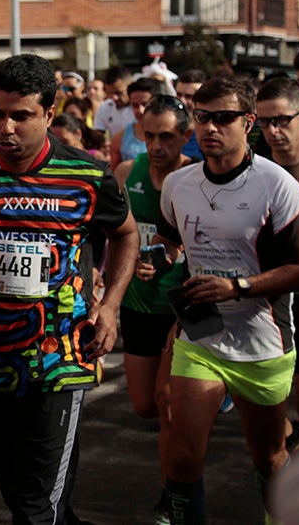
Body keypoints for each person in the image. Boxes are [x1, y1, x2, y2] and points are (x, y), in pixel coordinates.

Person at [0, 53, 139, 525]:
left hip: (60, 359)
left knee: (39, 507)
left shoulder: (88, 177)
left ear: (49, 115)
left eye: (21, 116)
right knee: (24, 497)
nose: (6, 128)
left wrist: (112, 305)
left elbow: (126, 233)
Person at [149, 76, 299, 525]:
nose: (210, 128)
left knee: (269, 456)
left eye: (223, 118)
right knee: (182, 456)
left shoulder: (277, 186)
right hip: (201, 337)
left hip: (263, 343)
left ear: (249, 123)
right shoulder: (179, 184)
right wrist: (158, 258)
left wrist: (237, 287)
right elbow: (170, 239)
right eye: (203, 117)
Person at [115, 96, 196, 523]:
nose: (157, 145)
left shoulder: (197, 178)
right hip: (137, 304)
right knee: (144, 405)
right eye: (149, 136)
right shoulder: (129, 174)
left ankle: (172, 498)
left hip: (181, 307)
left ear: (186, 136)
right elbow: (113, 234)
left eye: (167, 136)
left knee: (168, 404)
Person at [255, 77, 299, 444]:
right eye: (264, 122)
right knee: (266, 418)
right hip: (263, 296)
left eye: (282, 121)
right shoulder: (253, 165)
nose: (273, 131)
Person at [109, 77, 165, 169]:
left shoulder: (171, 135)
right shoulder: (119, 138)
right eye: (135, 105)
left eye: (145, 104)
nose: (140, 110)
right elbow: (113, 175)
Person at [93, 65, 135, 144]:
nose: (114, 98)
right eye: (109, 93)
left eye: (118, 93)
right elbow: (97, 136)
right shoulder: (105, 107)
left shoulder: (143, 108)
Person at [175, 69, 205, 159]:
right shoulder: (168, 129)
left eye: (188, 96)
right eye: (179, 95)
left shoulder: (209, 133)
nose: (181, 101)